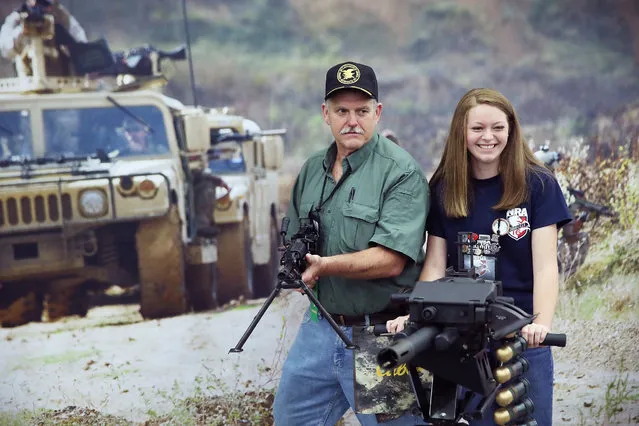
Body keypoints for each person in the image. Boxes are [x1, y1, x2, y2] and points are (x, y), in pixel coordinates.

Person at [386, 88, 572, 425]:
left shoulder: (539, 184)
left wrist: (541, 323)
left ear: (511, 129)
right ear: (462, 131)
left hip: (518, 336)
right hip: (459, 340)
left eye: (498, 128)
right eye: (478, 129)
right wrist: (414, 316)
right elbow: (436, 265)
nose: (488, 137)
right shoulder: (444, 186)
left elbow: (546, 266)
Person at [272, 61, 429, 425]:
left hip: (378, 335)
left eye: (361, 110)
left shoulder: (401, 172)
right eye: (341, 111)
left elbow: (391, 260)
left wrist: (324, 266)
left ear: (378, 112)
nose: (352, 121)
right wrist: (297, 268)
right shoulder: (312, 170)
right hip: (318, 329)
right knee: (290, 419)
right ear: (325, 115)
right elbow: (297, 237)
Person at [0, 0, 87, 75]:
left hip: (58, 80)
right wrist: (21, 31)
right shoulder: (16, 18)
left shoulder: (60, 15)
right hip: (27, 80)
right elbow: (5, 49)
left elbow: (80, 41)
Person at [191, 167, 230, 239]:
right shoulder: (206, 183)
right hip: (201, 219)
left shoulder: (208, 183)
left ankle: (204, 225)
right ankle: (202, 226)